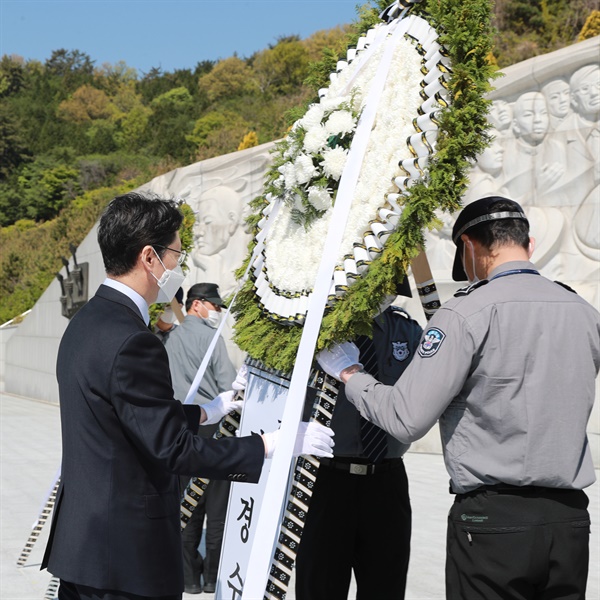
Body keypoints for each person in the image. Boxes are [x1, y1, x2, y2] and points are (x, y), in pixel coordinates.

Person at [41, 192, 334, 600]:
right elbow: (173, 452)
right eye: (176, 253)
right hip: (125, 560)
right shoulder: (133, 340)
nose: (179, 265)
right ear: (149, 257)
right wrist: (267, 446)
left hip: (83, 549)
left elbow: (123, 414)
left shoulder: (87, 322)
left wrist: (204, 412)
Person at [317, 196, 600, 599]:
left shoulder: (465, 312)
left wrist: (351, 374)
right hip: (569, 519)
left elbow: (406, 419)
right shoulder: (583, 311)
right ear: (529, 244)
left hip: (494, 521)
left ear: (468, 246)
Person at [295, 279, 422, 600]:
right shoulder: (317, 329)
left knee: (385, 587)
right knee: (318, 587)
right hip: (324, 479)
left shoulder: (406, 331)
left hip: (386, 480)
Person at [164, 283, 237, 594]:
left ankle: (189, 579)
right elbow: (228, 386)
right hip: (214, 429)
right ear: (197, 304)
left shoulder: (168, 340)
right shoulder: (211, 339)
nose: (217, 312)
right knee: (217, 512)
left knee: (186, 507)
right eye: (214, 306)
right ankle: (211, 578)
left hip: (181, 429)